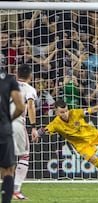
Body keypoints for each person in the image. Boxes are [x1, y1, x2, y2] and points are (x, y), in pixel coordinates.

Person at [10, 64, 38, 200]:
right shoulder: (29, 89)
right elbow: (31, 106)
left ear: (16, 74)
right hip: (16, 123)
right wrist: (33, 126)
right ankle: (16, 190)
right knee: (24, 156)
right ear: (30, 76)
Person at [0, 67, 25, 203]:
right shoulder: (9, 80)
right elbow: (20, 107)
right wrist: (9, 119)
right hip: (3, 129)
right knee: (8, 170)